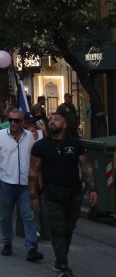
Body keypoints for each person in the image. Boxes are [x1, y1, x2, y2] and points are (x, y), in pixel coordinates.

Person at [29, 112, 98, 277]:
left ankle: (60, 259)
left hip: (73, 194)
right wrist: (33, 195)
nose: (51, 121)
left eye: (56, 119)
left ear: (65, 125)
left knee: (68, 228)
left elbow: (86, 167)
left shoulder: (75, 144)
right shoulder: (40, 146)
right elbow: (33, 171)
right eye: (50, 119)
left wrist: (93, 189)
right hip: (51, 194)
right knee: (57, 229)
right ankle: (62, 265)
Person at [0, 108, 42, 261]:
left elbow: (34, 161)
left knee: (28, 215)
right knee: (6, 217)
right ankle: (7, 242)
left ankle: (32, 247)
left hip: (25, 184)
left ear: (22, 122)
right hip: (6, 183)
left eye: (16, 120)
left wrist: (37, 181)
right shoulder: (0, 135)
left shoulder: (29, 137)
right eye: (10, 120)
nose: (12, 123)